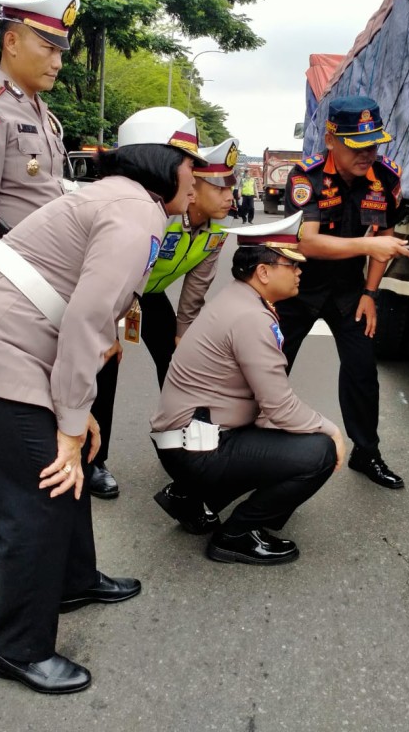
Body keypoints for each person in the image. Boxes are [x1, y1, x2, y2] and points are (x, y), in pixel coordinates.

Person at [0, 106, 205, 693]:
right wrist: (73, 425)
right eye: (193, 165)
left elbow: (82, 317)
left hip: (1, 333)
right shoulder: (136, 217)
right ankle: (18, 647)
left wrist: (72, 415)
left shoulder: (123, 199)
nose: (199, 180)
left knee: (66, 467)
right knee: (41, 491)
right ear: (165, 163)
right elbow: (84, 321)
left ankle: (74, 579)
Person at [0, 0, 122, 508]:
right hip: (7, 275)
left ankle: (80, 462)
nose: (58, 61)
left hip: (46, 275)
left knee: (60, 377)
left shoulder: (44, 115)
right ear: (11, 41)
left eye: (62, 50)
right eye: (48, 47)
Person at [150, 213, 346, 565]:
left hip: (190, 439)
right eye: (292, 264)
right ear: (264, 272)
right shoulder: (250, 317)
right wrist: (331, 431)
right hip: (198, 448)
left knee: (284, 443)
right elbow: (280, 407)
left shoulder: (240, 299)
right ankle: (237, 535)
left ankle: (189, 497)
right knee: (318, 454)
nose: (301, 271)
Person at [276, 96, 409, 489]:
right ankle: (257, 443)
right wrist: (369, 247)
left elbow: (386, 239)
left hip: (351, 291)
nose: (367, 153)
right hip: (298, 287)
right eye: (358, 145)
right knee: (272, 365)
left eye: (373, 144)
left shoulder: (385, 177)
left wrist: (371, 293)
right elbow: (308, 242)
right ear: (332, 139)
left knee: (362, 370)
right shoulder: (307, 177)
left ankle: (366, 452)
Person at [139, 136, 238, 388]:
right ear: (192, 190)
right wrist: (104, 331)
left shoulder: (219, 227)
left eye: (230, 188)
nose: (230, 197)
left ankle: (173, 424)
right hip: (115, 290)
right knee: (103, 359)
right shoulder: (163, 216)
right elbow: (114, 270)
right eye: (219, 189)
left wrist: (183, 333)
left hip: (151, 293)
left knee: (176, 360)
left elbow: (198, 284)